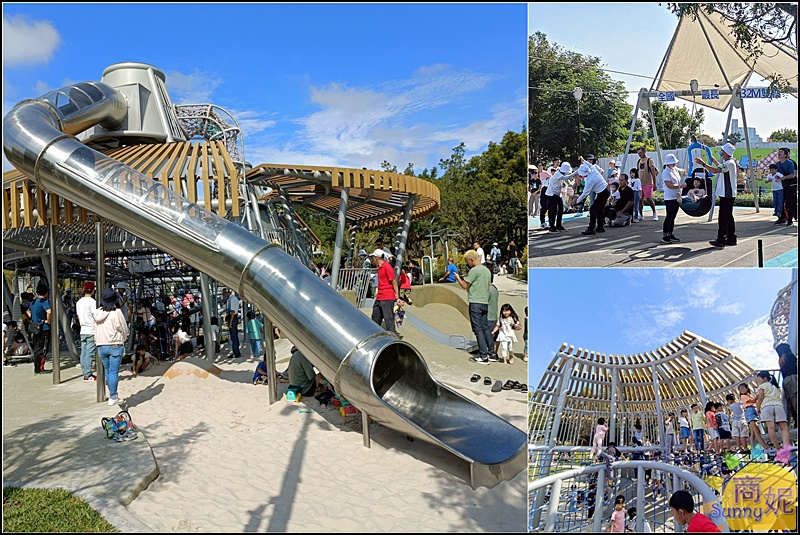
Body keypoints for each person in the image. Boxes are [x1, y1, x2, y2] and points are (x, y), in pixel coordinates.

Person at [456, 250, 495, 365]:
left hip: (475, 302)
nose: (467, 264)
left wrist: (458, 278)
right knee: (485, 328)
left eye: (467, 262)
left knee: (478, 329)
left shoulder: (474, 270)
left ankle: (483, 356)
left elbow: (464, 285)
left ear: (471, 260)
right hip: (484, 302)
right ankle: (491, 353)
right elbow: (488, 287)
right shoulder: (487, 271)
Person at [695, 143, 738, 247]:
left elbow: (716, 170)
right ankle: (731, 238)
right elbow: (720, 166)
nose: (721, 153)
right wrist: (712, 159)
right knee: (728, 216)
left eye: (722, 151)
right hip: (729, 194)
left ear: (727, 153)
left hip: (726, 194)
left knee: (723, 217)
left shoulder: (729, 164)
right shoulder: (729, 163)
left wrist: (703, 164)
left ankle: (721, 239)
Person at [93, 288, 129, 405]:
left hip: (101, 345)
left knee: (108, 372)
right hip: (114, 344)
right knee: (113, 372)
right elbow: (123, 328)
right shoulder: (116, 312)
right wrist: (123, 339)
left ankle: (112, 394)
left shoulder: (97, 313)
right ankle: (113, 396)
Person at [754, 370, 792, 456]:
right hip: (778, 406)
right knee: (784, 428)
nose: (758, 381)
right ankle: (786, 446)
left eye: (758, 379)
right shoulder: (775, 386)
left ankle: (778, 448)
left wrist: (758, 407)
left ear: (764, 378)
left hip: (767, 406)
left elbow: (760, 397)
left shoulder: (762, 386)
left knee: (771, 428)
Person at [574, 162, 610, 235]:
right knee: (599, 210)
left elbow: (584, 194)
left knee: (593, 209)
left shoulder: (589, 181)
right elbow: (589, 163)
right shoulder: (592, 169)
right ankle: (600, 226)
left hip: (602, 193)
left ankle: (591, 228)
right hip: (605, 190)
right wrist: (583, 160)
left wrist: (576, 201)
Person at [369, 249, 400, 335]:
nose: (372, 259)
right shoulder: (379, 268)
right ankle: (374, 334)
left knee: (388, 319)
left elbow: (394, 282)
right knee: (375, 317)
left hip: (387, 296)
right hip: (380, 296)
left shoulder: (387, 267)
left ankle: (393, 337)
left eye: (373, 257)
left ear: (376, 258)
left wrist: (397, 296)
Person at [27, 282, 52, 375]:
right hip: (43, 327)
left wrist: (33, 318)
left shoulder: (34, 302)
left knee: (37, 347)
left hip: (35, 327)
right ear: (46, 293)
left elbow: (28, 310)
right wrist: (47, 321)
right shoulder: (44, 302)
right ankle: (40, 369)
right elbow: (49, 312)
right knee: (43, 348)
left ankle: (36, 368)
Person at [660, 153, 686, 244]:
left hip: (676, 196)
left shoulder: (675, 169)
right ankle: (665, 235)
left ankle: (670, 233)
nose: (674, 164)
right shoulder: (666, 172)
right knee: (669, 216)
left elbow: (684, 172)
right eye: (672, 163)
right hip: (670, 197)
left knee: (673, 216)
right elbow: (669, 185)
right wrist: (680, 185)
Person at [75, 282, 97, 381]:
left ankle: (85, 372)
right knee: (89, 353)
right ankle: (88, 374)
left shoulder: (79, 302)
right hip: (91, 329)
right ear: (92, 290)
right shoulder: (92, 302)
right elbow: (94, 315)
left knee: (83, 352)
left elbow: (79, 317)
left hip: (83, 329)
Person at [738, 382, 769, 452]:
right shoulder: (743, 397)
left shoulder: (748, 395)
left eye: (743, 388)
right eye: (740, 389)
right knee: (756, 431)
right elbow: (753, 401)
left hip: (752, 410)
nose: (741, 390)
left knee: (753, 433)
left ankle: (753, 448)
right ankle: (765, 447)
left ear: (746, 388)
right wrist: (759, 394)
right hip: (750, 411)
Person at [545, 162, 571, 232]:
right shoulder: (558, 174)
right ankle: (552, 227)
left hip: (557, 194)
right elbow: (567, 177)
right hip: (551, 194)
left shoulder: (561, 173)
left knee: (561, 208)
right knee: (554, 210)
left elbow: (565, 181)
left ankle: (558, 225)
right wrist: (577, 172)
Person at [775, 343, 797, 428]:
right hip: (793, 378)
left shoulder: (781, 360)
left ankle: (796, 420)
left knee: (791, 402)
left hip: (786, 381)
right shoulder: (789, 356)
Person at [775, 147, 797, 225]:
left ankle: (790, 219)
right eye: (779, 152)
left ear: (786, 155)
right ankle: (781, 217)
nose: (779, 153)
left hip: (790, 185)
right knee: (780, 202)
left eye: (781, 152)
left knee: (790, 202)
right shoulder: (777, 164)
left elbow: (793, 175)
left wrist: (784, 177)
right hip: (781, 185)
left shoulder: (791, 163)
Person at [636, 147, 660, 221]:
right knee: (640, 199)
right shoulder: (639, 161)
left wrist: (654, 184)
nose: (640, 154)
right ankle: (640, 214)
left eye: (641, 153)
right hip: (640, 183)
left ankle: (654, 212)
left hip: (648, 183)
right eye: (638, 153)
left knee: (649, 198)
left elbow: (654, 172)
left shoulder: (649, 160)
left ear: (644, 152)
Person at [222, 288, 241, 359]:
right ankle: (236, 351)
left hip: (232, 317)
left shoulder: (232, 299)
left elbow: (233, 311)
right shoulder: (233, 298)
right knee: (234, 336)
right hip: (233, 317)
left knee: (233, 336)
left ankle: (236, 352)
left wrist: (230, 322)